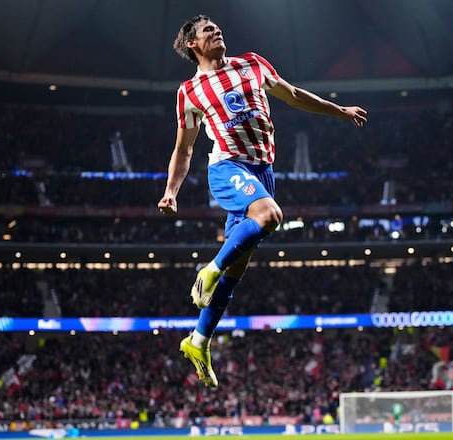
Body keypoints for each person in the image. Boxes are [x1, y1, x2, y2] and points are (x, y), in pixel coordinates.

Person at [157, 14, 368, 388]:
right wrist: (171, 190)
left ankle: (199, 340)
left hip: (262, 171)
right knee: (269, 216)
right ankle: (209, 269)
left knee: (240, 266)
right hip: (227, 167)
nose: (217, 31)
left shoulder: (252, 64)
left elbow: (294, 94)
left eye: (218, 27)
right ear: (192, 44)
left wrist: (339, 111)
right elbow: (184, 149)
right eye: (208, 30)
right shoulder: (189, 92)